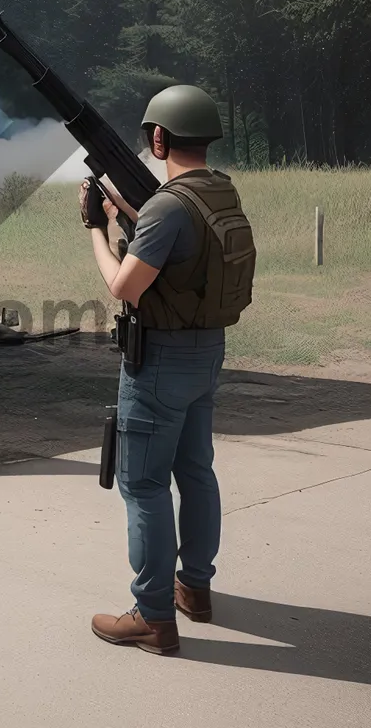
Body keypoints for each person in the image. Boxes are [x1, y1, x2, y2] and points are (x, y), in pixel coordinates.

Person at [79, 84, 256, 655]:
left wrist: (97, 230)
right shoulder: (218, 193)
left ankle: (153, 616)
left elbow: (122, 285)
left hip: (159, 361)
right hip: (206, 352)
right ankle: (194, 589)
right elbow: (181, 253)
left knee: (144, 485)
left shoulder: (166, 207)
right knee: (196, 471)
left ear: (159, 138)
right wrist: (127, 213)